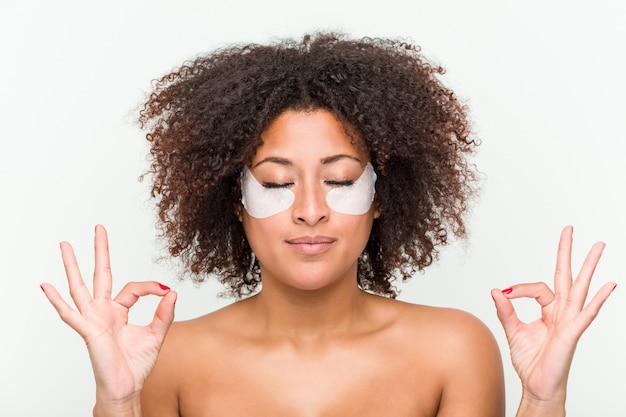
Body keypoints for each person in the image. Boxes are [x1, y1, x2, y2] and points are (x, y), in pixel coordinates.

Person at [41, 33, 616, 417]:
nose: (310, 208)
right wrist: (116, 401)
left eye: (340, 179)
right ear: (235, 201)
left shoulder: (454, 348)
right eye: (274, 182)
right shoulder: (169, 357)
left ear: (380, 197)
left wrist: (544, 396)